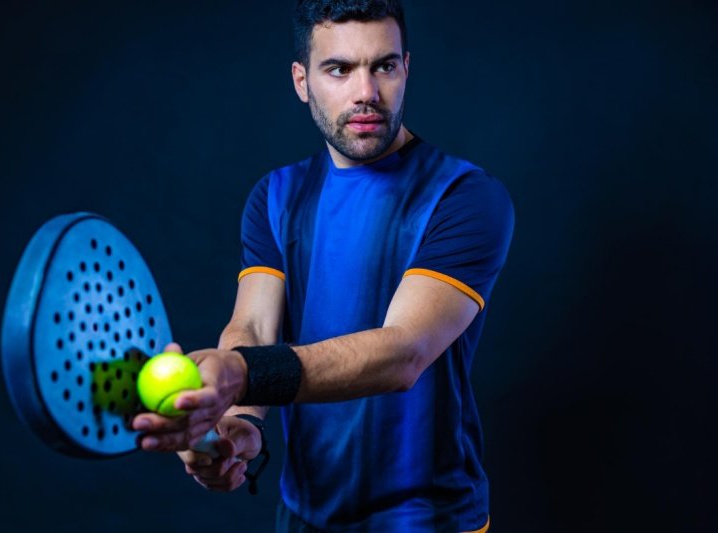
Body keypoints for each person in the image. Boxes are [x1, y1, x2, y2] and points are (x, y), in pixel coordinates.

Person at [132, 1, 514, 531]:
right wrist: (240, 421)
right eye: (339, 69)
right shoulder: (276, 196)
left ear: (407, 68)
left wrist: (240, 376)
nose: (366, 92)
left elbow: (402, 352)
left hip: (429, 521)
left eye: (384, 66)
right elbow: (253, 326)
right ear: (302, 81)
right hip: (302, 518)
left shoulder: (464, 196)